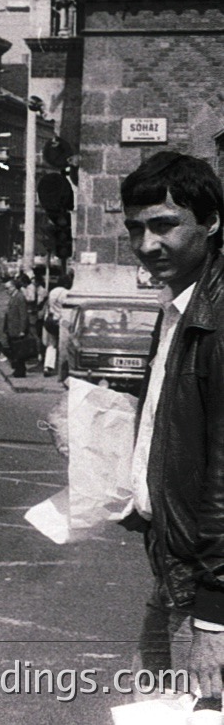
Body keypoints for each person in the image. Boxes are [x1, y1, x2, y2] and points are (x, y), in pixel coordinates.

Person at [120, 151, 224, 701]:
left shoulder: (216, 317)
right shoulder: (182, 305)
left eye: (164, 225)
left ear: (211, 222)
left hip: (205, 586)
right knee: (152, 705)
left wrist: (214, 621)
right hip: (178, 568)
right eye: (135, 228)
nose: (146, 244)